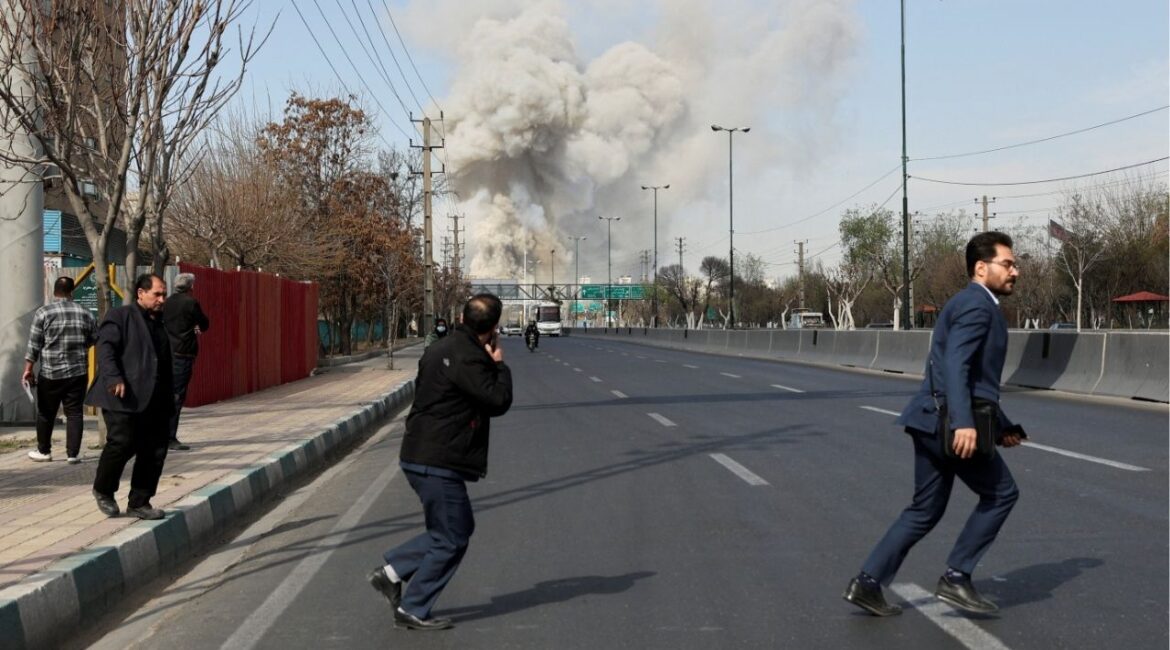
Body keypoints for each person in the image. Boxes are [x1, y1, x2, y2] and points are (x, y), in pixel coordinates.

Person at [843, 231, 1024, 617]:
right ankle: (957, 577)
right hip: (950, 425)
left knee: (924, 509)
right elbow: (954, 366)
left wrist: (1002, 426)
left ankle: (868, 582)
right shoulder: (979, 306)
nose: (1015, 271)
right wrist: (963, 423)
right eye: (1007, 264)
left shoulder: (967, 302)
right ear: (981, 267)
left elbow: (973, 380)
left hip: (928, 421)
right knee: (1001, 493)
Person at [368, 293, 513, 631]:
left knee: (453, 529)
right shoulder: (472, 359)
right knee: (452, 536)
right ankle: (413, 606)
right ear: (493, 328)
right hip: (440, 460)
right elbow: (497, 400)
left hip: (418, 453)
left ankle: (390, 573)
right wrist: (499, 365)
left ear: (462, 319)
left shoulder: (438, 348)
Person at [87, 274, 175, 520]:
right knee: (122, 443)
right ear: (140, 293)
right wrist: (114, 377)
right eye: (157, 294)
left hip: (156, 399)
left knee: (155, 450)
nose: (161, 299)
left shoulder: (161, 321)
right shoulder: (120, 317)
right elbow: (106, 349)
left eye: (164, 294)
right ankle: (103, 490)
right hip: (123, 395)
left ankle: (140, 501)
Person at [22, 276, 97, 464]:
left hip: (50, 372)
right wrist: (80, 347)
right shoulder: (86, 312)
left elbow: (34, 345)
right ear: (72, 291)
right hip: (78, 372)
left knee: (46, 412)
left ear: (54, 291)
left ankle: (44, 451)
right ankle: (73, 454)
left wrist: (28, 369)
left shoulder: (43, 313)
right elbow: (94, 338)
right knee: (75, 413)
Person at [162, 272, 210, 451]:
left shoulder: (166, 303)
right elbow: (204, 324)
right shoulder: (191, 303)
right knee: (176, 396)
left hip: (166, 352)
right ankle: (170, 437)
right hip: (183, 353)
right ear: (191, 287)